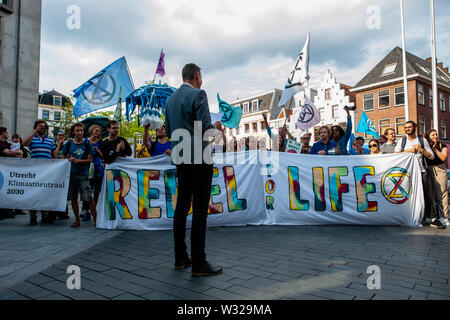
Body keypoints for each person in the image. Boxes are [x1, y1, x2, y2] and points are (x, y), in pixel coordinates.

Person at [165, 63, 223, 277]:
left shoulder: (170, 100)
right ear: (197, 76)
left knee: (181, 206)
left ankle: (180, 256)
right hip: (199, 157)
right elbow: (204, 129)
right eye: (201, 76)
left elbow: (170, 131)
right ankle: (199, 262)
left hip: (181, 158)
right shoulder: (199, 95)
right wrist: (216, 129)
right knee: (199, 209)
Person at [395, 121, 434, 226]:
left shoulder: (422, 140)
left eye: (409, 127)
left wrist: (421, 149)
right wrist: (407, 151)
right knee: (409, 195)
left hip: (421, 171)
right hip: (407, 174)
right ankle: (411, 215)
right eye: (405, 127)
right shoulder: (402, 141)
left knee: (426, 195)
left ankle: (427, 217)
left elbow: (431, 156)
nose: (407, 129)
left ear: (415, 128)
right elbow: (395, 154)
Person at [62, 123, 97, 228]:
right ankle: (77, 220)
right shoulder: (68, 144)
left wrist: (76, 160)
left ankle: (96, 219)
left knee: (88, 198)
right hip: (72, 174)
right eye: (77, 130)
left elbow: (89, 160)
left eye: (81, 130)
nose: (79, 133)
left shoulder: (87, 144)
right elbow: (63, 157)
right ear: (73, 132)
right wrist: (68, 160)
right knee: (73, 198)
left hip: (83, 174)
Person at [22, 120, 56, 225]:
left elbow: (53, 154)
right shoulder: (33, 139)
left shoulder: (50, 140)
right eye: (40, 126)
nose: (42, 128)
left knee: (44, 193)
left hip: (46, 171)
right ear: (36, 127)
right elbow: (24, 143)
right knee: (33, 194)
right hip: (35, 171)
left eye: (44, 126)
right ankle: (33, 217)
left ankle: (44, 215)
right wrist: (34, 132)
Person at [424, 129, 448, 228]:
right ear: (428, 136)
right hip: (427, 169)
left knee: (442, 193)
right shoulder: (425, 145)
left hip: (439, 169)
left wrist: (435, 149)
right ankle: (433, 216)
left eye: (436, 134)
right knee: (430, 194)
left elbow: (443, 157)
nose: (435, 136)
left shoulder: (442, 145)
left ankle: (444, 217)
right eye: (433, 135)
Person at [81, 125, 104, 222]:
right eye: (96, 130)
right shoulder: (85, 141)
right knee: (86, 190)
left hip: (97, 168)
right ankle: (85, 210)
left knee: (96, 192)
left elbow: (103, 156)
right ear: (91, 131)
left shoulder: (101, 143)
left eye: (99, 131)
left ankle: (93, 210)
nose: (97, 132)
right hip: (87, 167)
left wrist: (98, 151)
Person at [0, 127, 23, 220]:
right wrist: (17, 152)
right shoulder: (1, 144)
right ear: (2, 133)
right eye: (7, 132)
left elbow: (16, 150)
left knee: (5, 190)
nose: (8, 134)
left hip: (6, 171)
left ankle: (6, 211)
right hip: (1, 171)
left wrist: (19, 151)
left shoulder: (7, 143)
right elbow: (8, 152)